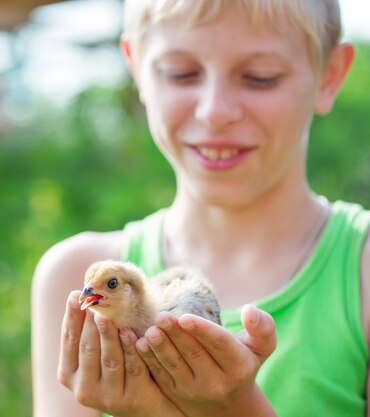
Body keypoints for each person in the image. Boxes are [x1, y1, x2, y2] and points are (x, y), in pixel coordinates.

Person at [31, 0, 367, 416]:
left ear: (329, 75)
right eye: (181, 74)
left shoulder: (363, 274)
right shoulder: (70, 275)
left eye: (260, 78)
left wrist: (233, 407)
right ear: (136, 67)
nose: (215, 111)